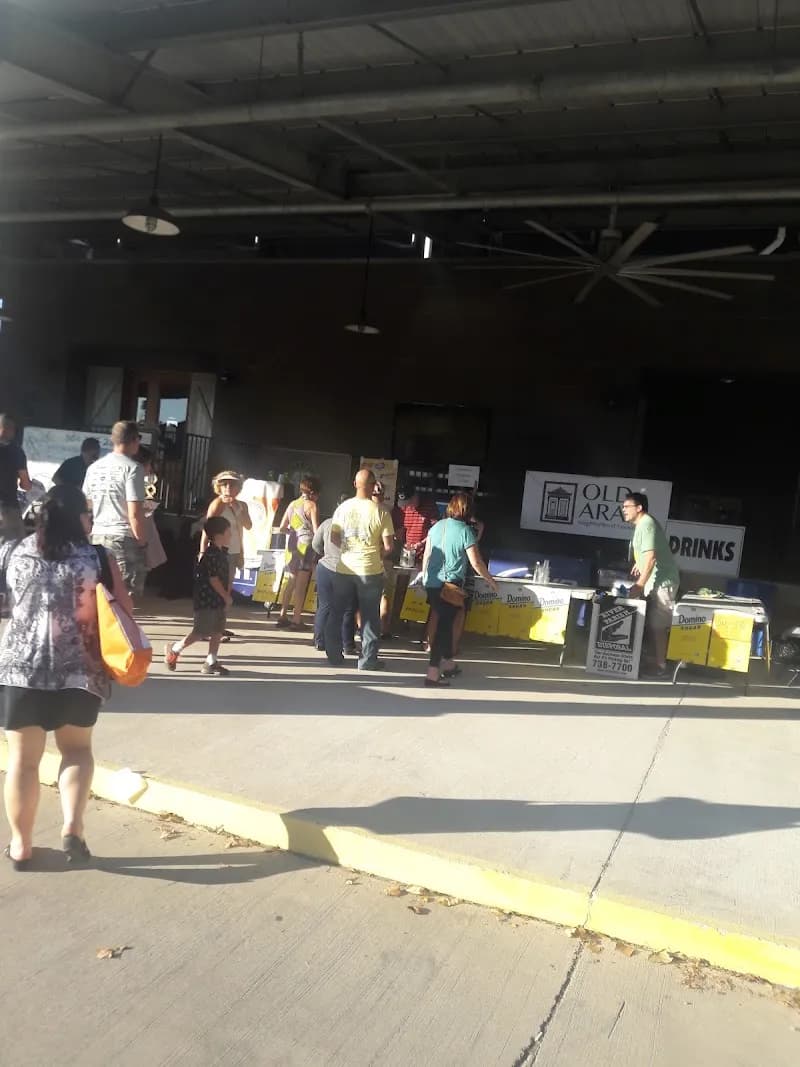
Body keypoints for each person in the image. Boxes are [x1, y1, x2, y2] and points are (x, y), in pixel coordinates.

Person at [0, 484, 132, 869]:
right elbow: (124, 609)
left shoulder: (11, 551)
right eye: (87, 512)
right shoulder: (97, 557)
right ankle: (73, 829)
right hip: (81, 673)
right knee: (76, 751)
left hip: (20, 671)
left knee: (23, 763)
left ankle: (21, 845)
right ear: (78, 517)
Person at [422, 492, 497, 688]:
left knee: (443, 622)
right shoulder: (466, 531)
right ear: (468, 510)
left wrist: (424, 577)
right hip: (451, 585)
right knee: (445, 629)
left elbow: (427, 556)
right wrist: (491, 581)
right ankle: (432, 675)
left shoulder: (436, 526)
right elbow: (476, 562)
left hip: (432, 583)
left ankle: (448, 664)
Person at [325, 469, 394, 670]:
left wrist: (349, 550)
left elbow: (334, 538)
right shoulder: (381, 511)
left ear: (355, 484)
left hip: (344, 567)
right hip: (370, 570)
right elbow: (389, 546)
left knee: (336, 612)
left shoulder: (342, 509)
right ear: (374, 486)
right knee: (370, 616)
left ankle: (334, 656)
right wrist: (376, 554)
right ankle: (367, 660)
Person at [82, 420, 147, 600]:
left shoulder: (94, 468)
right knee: (124, 594)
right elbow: (134, 513)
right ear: (134, 440)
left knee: (101, 591)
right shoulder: (133, 468)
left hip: (98, 534)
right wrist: (142, 542)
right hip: (123, 537)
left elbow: (87, 504)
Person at [164, 515, 233, 677]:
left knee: (217, 629)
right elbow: (213, 579)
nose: (231, 535)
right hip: (207, 600)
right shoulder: (211, 555)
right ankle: (175, 649)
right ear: (218, 536)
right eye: (229, 532)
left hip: (218, 599)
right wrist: (226, 596)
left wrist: (226, 595)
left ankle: (211, 660)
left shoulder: (222, 553)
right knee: (201, 631)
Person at [622, 491, 681, 677]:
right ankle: (656, 661)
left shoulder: (646, 524)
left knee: (659, 625)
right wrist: (638, 566)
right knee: (653, 624)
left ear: (639, 508)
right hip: (654, 581)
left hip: (663, 581)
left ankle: (662, 666)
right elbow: (645, 557)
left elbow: (651, 558)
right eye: (623, 507)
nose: (623, 510)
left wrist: (639, 584)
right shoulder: (641, 525)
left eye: (627, 507)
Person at [312, 494, 357, 656]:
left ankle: (319, 641)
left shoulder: (327, 523)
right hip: (346, 570)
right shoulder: (355, 527)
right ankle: (347, 644)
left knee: (324, 605)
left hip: (324, 567)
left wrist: (327, 553)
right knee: (347, 609)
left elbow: (315, 545)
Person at [276, 475, 320, 631]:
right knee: (301, 584)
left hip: (292, 544)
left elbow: (282, 527)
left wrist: (293, 533)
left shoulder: (292, 504)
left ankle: (282, 615)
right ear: (314, 492)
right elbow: (316, 530)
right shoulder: (312, 505)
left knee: (291, 580)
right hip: (306, 546)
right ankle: (296, 619)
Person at [201, 470, 252, 586]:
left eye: (232, 484)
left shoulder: (242, 505)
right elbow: (207, 528)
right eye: (224, 484)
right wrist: (202, 551)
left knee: (228, 586)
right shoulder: (217, 503)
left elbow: (248, 526)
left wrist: (239, 510)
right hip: (219, 551)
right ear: (219, 487)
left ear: (238, 488)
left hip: (235, 550)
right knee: (217, 585)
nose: (228, 487)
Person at [372, 480, 398, 639]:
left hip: (364, 558)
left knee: (363, 596)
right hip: (383, 558)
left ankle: (360, 627)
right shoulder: (386, 512)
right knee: (384, 596)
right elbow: (390, 543)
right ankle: (384, 629)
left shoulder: (362, 510)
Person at [135, 445, 168, 574]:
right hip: (138, 540)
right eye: (148, 465)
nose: (150, 469)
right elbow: (140, 515)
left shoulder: (143, 484)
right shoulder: (135, 485)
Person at [0, 413, 31, 544]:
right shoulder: (15, 452)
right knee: (16, 546)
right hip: (7, 507)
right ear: (9, 429)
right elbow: (25, 484)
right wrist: (30, 485)